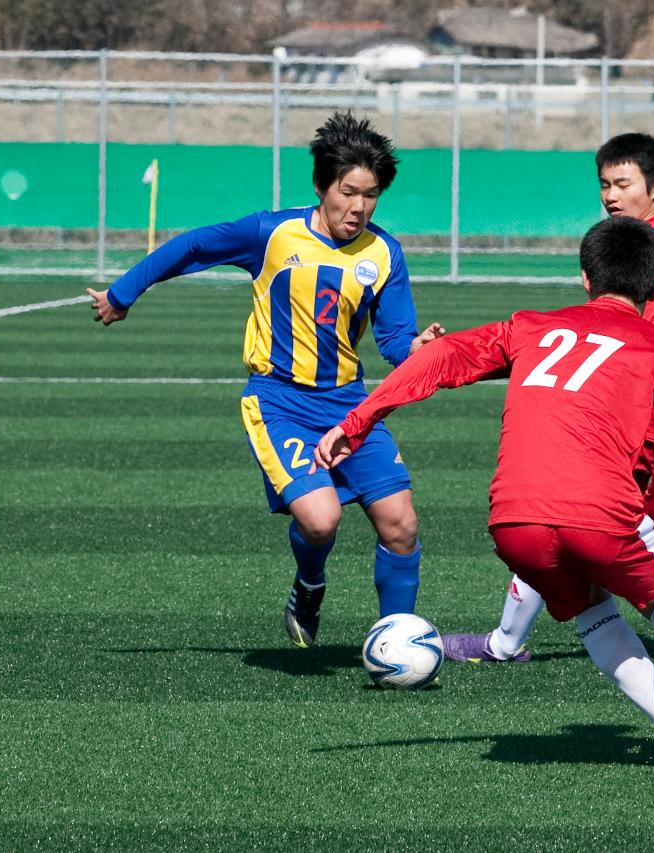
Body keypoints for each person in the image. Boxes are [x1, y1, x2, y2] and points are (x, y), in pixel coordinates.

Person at [314, 217, 654, 772]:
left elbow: (439, 358)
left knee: (595, 613)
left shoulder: (531, 326)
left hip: (513, 520)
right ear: (653, 284)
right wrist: (647, 514)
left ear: (585, 278)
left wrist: (356, 422)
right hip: (601, 513)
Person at [87, 112, 443, 649]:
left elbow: (395, 340)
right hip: (278, 401)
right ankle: (308, 586)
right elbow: (194, 246)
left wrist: (418, 349)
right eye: (348, 192)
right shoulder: (273, 233)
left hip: (349, 406)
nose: (359, 208)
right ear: (322, 185)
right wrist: (122, 293)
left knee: (401, 524)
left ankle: (398, 643)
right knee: (321, 521)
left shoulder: (384, 252)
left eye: (371, 196)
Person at [441, 132, 654, 665]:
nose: (610, 195)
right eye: (604, 184)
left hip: (639, 401)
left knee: (569, 507)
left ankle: (505, 643)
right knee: (602, 515)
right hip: (620, 394)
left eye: (622, 184)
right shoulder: (625, 239)